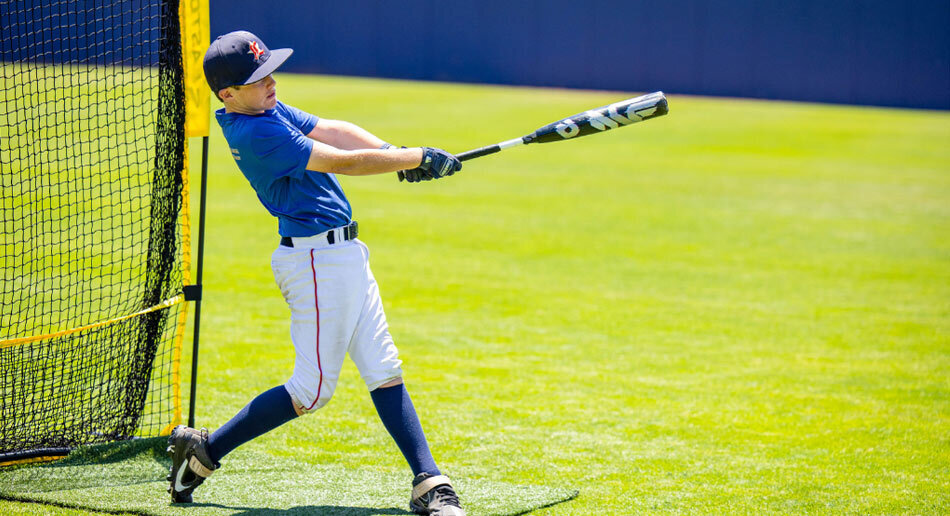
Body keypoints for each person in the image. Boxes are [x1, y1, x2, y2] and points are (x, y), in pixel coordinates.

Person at [166, 30, 465, 516]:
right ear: (227, 94)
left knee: (384, 366)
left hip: (344, 255)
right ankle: (204, 452)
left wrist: (396, 153)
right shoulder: (255, 131)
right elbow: (340, 161)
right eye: (258, 77)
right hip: (316, 263)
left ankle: (428, 483)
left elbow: (332, 128)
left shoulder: (263, 108)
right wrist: (415, 158)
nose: (271, 81)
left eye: (269, 71)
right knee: (311, 392)